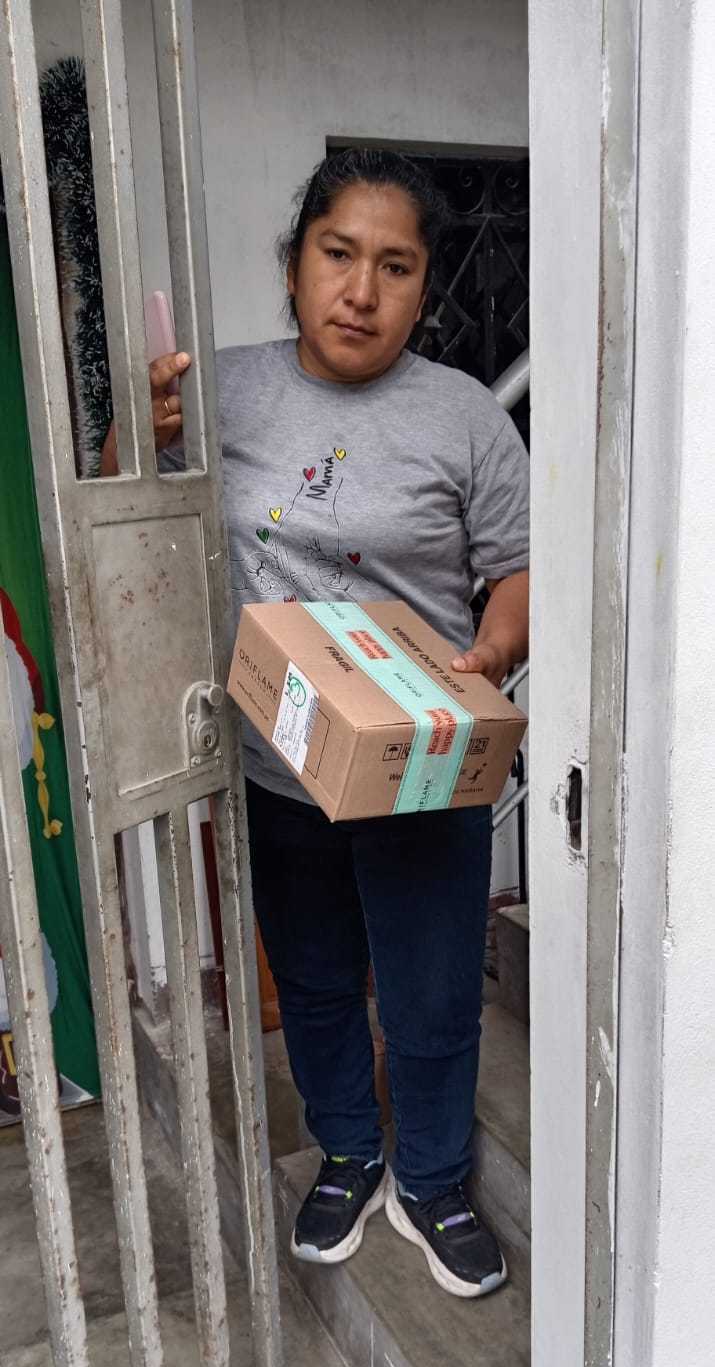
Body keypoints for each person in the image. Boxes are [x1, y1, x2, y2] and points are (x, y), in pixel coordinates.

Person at [101, 148, 529, 1300]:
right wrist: (137, 431)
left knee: (433, 993)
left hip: (423, 766)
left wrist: (491, 653)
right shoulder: (224, 390)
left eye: (395, 266)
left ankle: (431, 1179)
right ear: (293, 264)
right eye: (338, 254)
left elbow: (517, 567)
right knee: (316, 978)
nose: (361, 290)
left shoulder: (464, 416)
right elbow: (124, 518)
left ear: (423, 288)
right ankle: (348, 1152)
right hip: (276, 761)